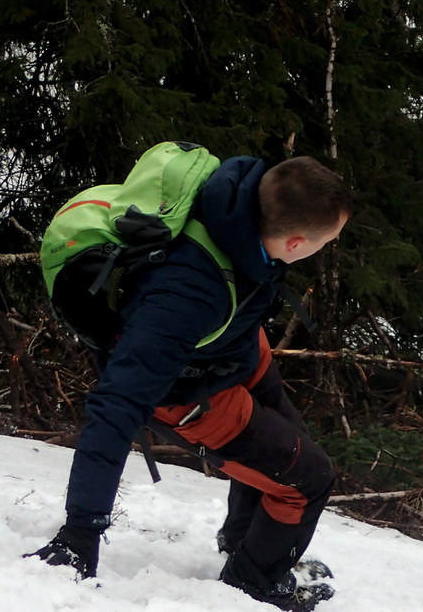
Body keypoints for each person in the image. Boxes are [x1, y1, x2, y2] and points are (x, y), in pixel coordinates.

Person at [27, 152, 352, 611]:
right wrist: (81, 531)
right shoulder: (186, 296)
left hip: (231, 348)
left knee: (287, 446)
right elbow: (117, 403)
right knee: (308, 479)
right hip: (186, 391)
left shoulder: (238, 204)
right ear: (297, 243)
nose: (330, 246)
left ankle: (247, 545)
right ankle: (251, 583)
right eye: (328, 240)